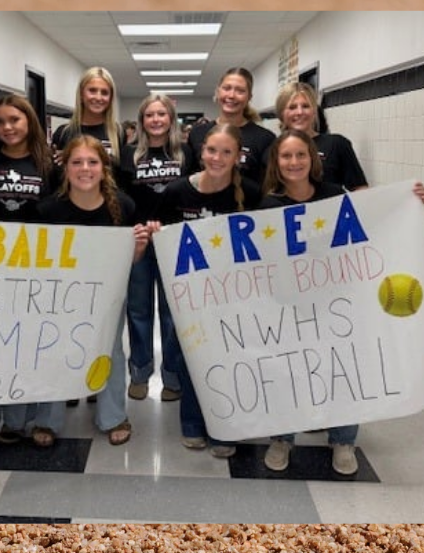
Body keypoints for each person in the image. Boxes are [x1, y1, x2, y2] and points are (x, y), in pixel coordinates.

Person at [257, 130, 424, 475]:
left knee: (342, 367)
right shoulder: (269, 206)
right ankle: (281, 438)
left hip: (337, 303)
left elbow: (375, 217)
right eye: (286, 157)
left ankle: (343, 440)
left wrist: (408, 201)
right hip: (290, 304)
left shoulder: (336, 196)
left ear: (313, 159)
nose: (294, 163)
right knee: (289, 370)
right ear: (276, 162)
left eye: (301, 155)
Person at [152, 123, 262, 457]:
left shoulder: (253, 194)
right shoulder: (175, 192)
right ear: (201, 152)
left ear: (238, 157)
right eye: (211, 150)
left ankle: (227, 424)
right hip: (191, 297)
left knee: (231, 358)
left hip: (234, 295)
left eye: (226, 152)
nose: (217, 157)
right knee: (191, 358)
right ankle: (192, 424)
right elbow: (161, 238)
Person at [39, 135, 147, 447]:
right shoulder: (48, 210)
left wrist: (138, 249)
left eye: (92, 162)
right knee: (55, 350)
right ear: (66, 167)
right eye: (77, 162)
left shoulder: (123, 207)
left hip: (106, 298)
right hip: (59, 298)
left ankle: (112, 415)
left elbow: (129, 261)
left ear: (104, 168)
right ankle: (48, 418)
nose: (85, 168)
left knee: (109, 350)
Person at [0, 94, 58, 446]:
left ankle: (21, 418)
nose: (7, 127)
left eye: (14, 120)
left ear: (29, 122)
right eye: (0, 121)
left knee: (27, 343)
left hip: (35, 266)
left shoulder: (48, 163)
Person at [119, 95, 192, 402]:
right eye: (150, 114)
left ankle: (172, 377)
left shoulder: (187, 153)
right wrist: (136, 228)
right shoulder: (127, 154)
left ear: (171, 118)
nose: (156, 119)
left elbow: (193, 192)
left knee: (172, 312)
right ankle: (139, 373)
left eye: (162, 114)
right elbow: (120, 198)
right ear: (141, 120)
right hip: (137, 240)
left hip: (173, 240)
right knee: (138, 309)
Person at [185, 68, 274, 185]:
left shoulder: (265, 138)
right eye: (226, 88)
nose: (231, 95)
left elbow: (268, 184)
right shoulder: (197, 134)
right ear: (218, 92)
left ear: (249, 97)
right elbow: (191, 179)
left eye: (240, 91)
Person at [274, 82, 368, 190]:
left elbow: (360, 190)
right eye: (292, 107)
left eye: (305, 106)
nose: (299, 112)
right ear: (281, 113)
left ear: (314, 111)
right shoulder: (272, 149)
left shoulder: (337, 145)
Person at [51, 67, 124, 159]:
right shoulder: (63, 133)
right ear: (81, 94)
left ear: (110, 98)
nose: (98, 97)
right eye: (92, 91)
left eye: (104, 93)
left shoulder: (118, 133)